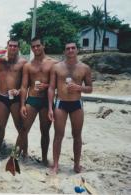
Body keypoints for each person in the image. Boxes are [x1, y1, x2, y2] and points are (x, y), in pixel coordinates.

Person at [48, 42, 93, 174]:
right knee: (58, 135)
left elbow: (90, 88)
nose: (70, 50)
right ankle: (55, 165)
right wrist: (50, 107)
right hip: (61, 103)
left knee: (77, 136)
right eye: (68, 48)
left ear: (77, 50)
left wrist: (79, 88)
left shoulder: (85, 68)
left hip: (76, 104)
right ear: (64, 51)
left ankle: (77, 165)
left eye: (73, 48)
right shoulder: (56, 67)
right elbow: (51, 87)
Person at [19, 37, 58, 165]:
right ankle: (22, 154)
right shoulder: (28, 66)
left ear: (43, 45)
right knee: (24, 129)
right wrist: (22, 105)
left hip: (46, 101)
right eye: (33, 46)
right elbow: (24, 86)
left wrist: (47, 86)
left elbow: (59, 84)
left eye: (38, 45)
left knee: (45, 131)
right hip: (32, 99)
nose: (36, 48)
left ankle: (45, 159)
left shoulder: (53, 63)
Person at [0, 39, 27, 156]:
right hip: (2, 97)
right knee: (0, 127)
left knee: (20, 127)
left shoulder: (23, 63)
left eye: (15, 46)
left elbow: (26, 83)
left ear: (18, 48)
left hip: (16, 99)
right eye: (11, 46)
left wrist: (19, 91)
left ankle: (21, 152)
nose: (13, 48)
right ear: (7, 46)